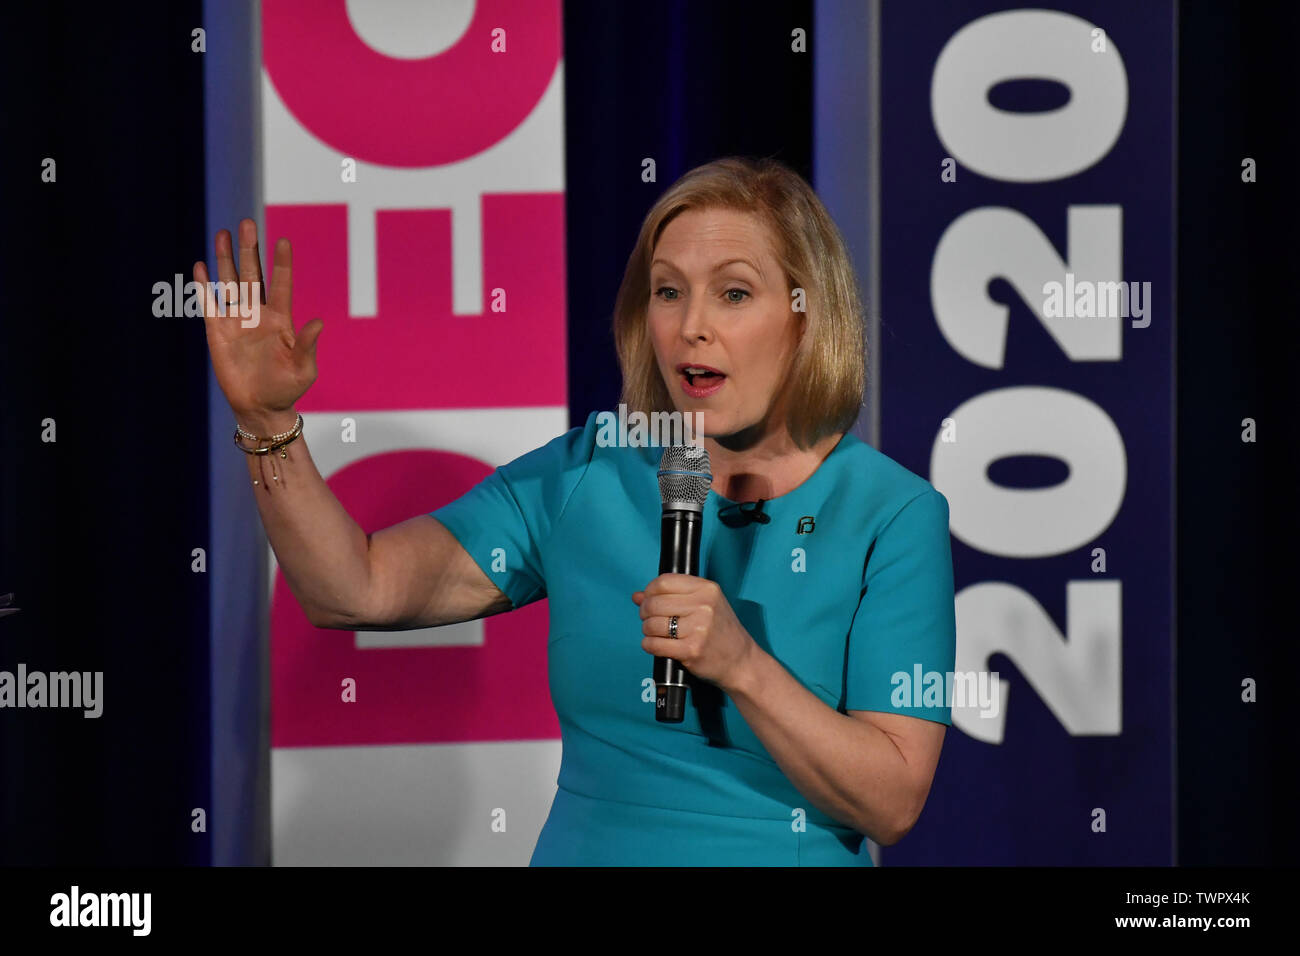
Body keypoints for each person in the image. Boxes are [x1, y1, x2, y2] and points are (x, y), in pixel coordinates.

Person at [195, 156, 956, 867]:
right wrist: (267, 424)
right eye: (667, 291)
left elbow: (893, 800)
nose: (692, 324)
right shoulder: (593, 468)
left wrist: (743, 666)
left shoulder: (892, 515)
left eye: (733, 292)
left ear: (804, 316)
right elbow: (353, 588)